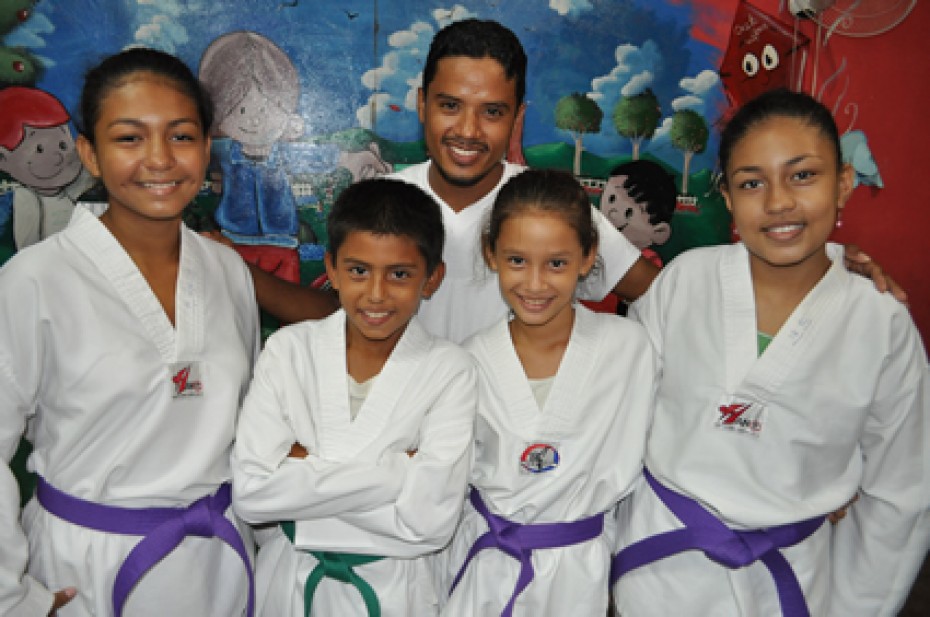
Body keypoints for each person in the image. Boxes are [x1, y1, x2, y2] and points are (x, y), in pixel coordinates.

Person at [243, 18, 903, 343]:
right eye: (450, 105)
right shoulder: (389, 202)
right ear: (422, 105)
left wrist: (820, 266)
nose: (468, 129)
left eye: (492, 111)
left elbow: (673, 296)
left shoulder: (548, 209)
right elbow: (335, 311)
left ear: (517, 117)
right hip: (410, 449)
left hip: (522, 455)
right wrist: (224, 264)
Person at [610, 88, 930, 616]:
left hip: (791, 584)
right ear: (729, 199)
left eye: (803, 175)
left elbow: (901, 495)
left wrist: (859, 606)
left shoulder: (881, 323)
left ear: (843, 183)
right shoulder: (684, 283)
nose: (779, 201)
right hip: (658, 574)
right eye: (752, 182)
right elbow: (624, 421)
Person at [0, 48, 260, 616]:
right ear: (89, 154)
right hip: (84, 571)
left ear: (207, 148)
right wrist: (12, 597)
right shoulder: (33, 280)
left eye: (182, 136)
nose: (160, 160)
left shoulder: (227, 272)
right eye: (129, 138)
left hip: (216, 564)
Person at [231, 178, 477, 616]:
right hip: (290, 584)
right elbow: (252, 494)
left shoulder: (450, 368)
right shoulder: (289, 350)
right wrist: (401, 469)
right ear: (332, 268)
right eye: (359, 270)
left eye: (399, 274)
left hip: (397, 591)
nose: (376, 293)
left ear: (432, 278)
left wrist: (305, 472)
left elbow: (430, 523)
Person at [441, 169, 655, 615]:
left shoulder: (629, 348)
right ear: (491, 254)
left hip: (582, 573)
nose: (535, 284)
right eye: (517, 260)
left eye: (556, 263)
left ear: (588, 257)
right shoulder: (466, 362)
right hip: (486, 568)